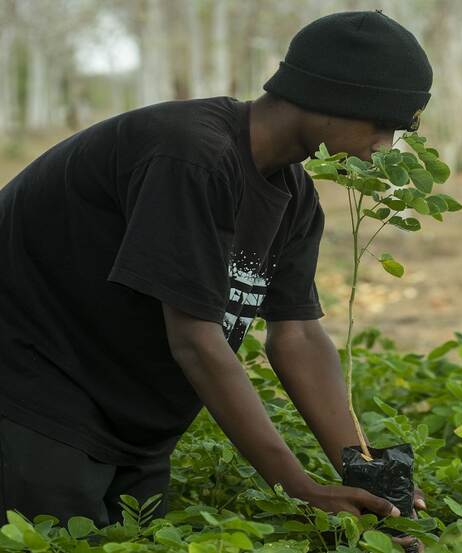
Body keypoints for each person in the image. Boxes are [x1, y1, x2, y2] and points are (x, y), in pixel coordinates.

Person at [0, 9, 431, 532]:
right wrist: (297, 485)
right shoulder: (190, 155)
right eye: (381, 125)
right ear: (335, 100)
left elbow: (296, 334)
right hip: (31, 396)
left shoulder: (294, 197)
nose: (384, 148)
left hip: (134, 426)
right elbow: (196, 342)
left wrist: (365, 472)